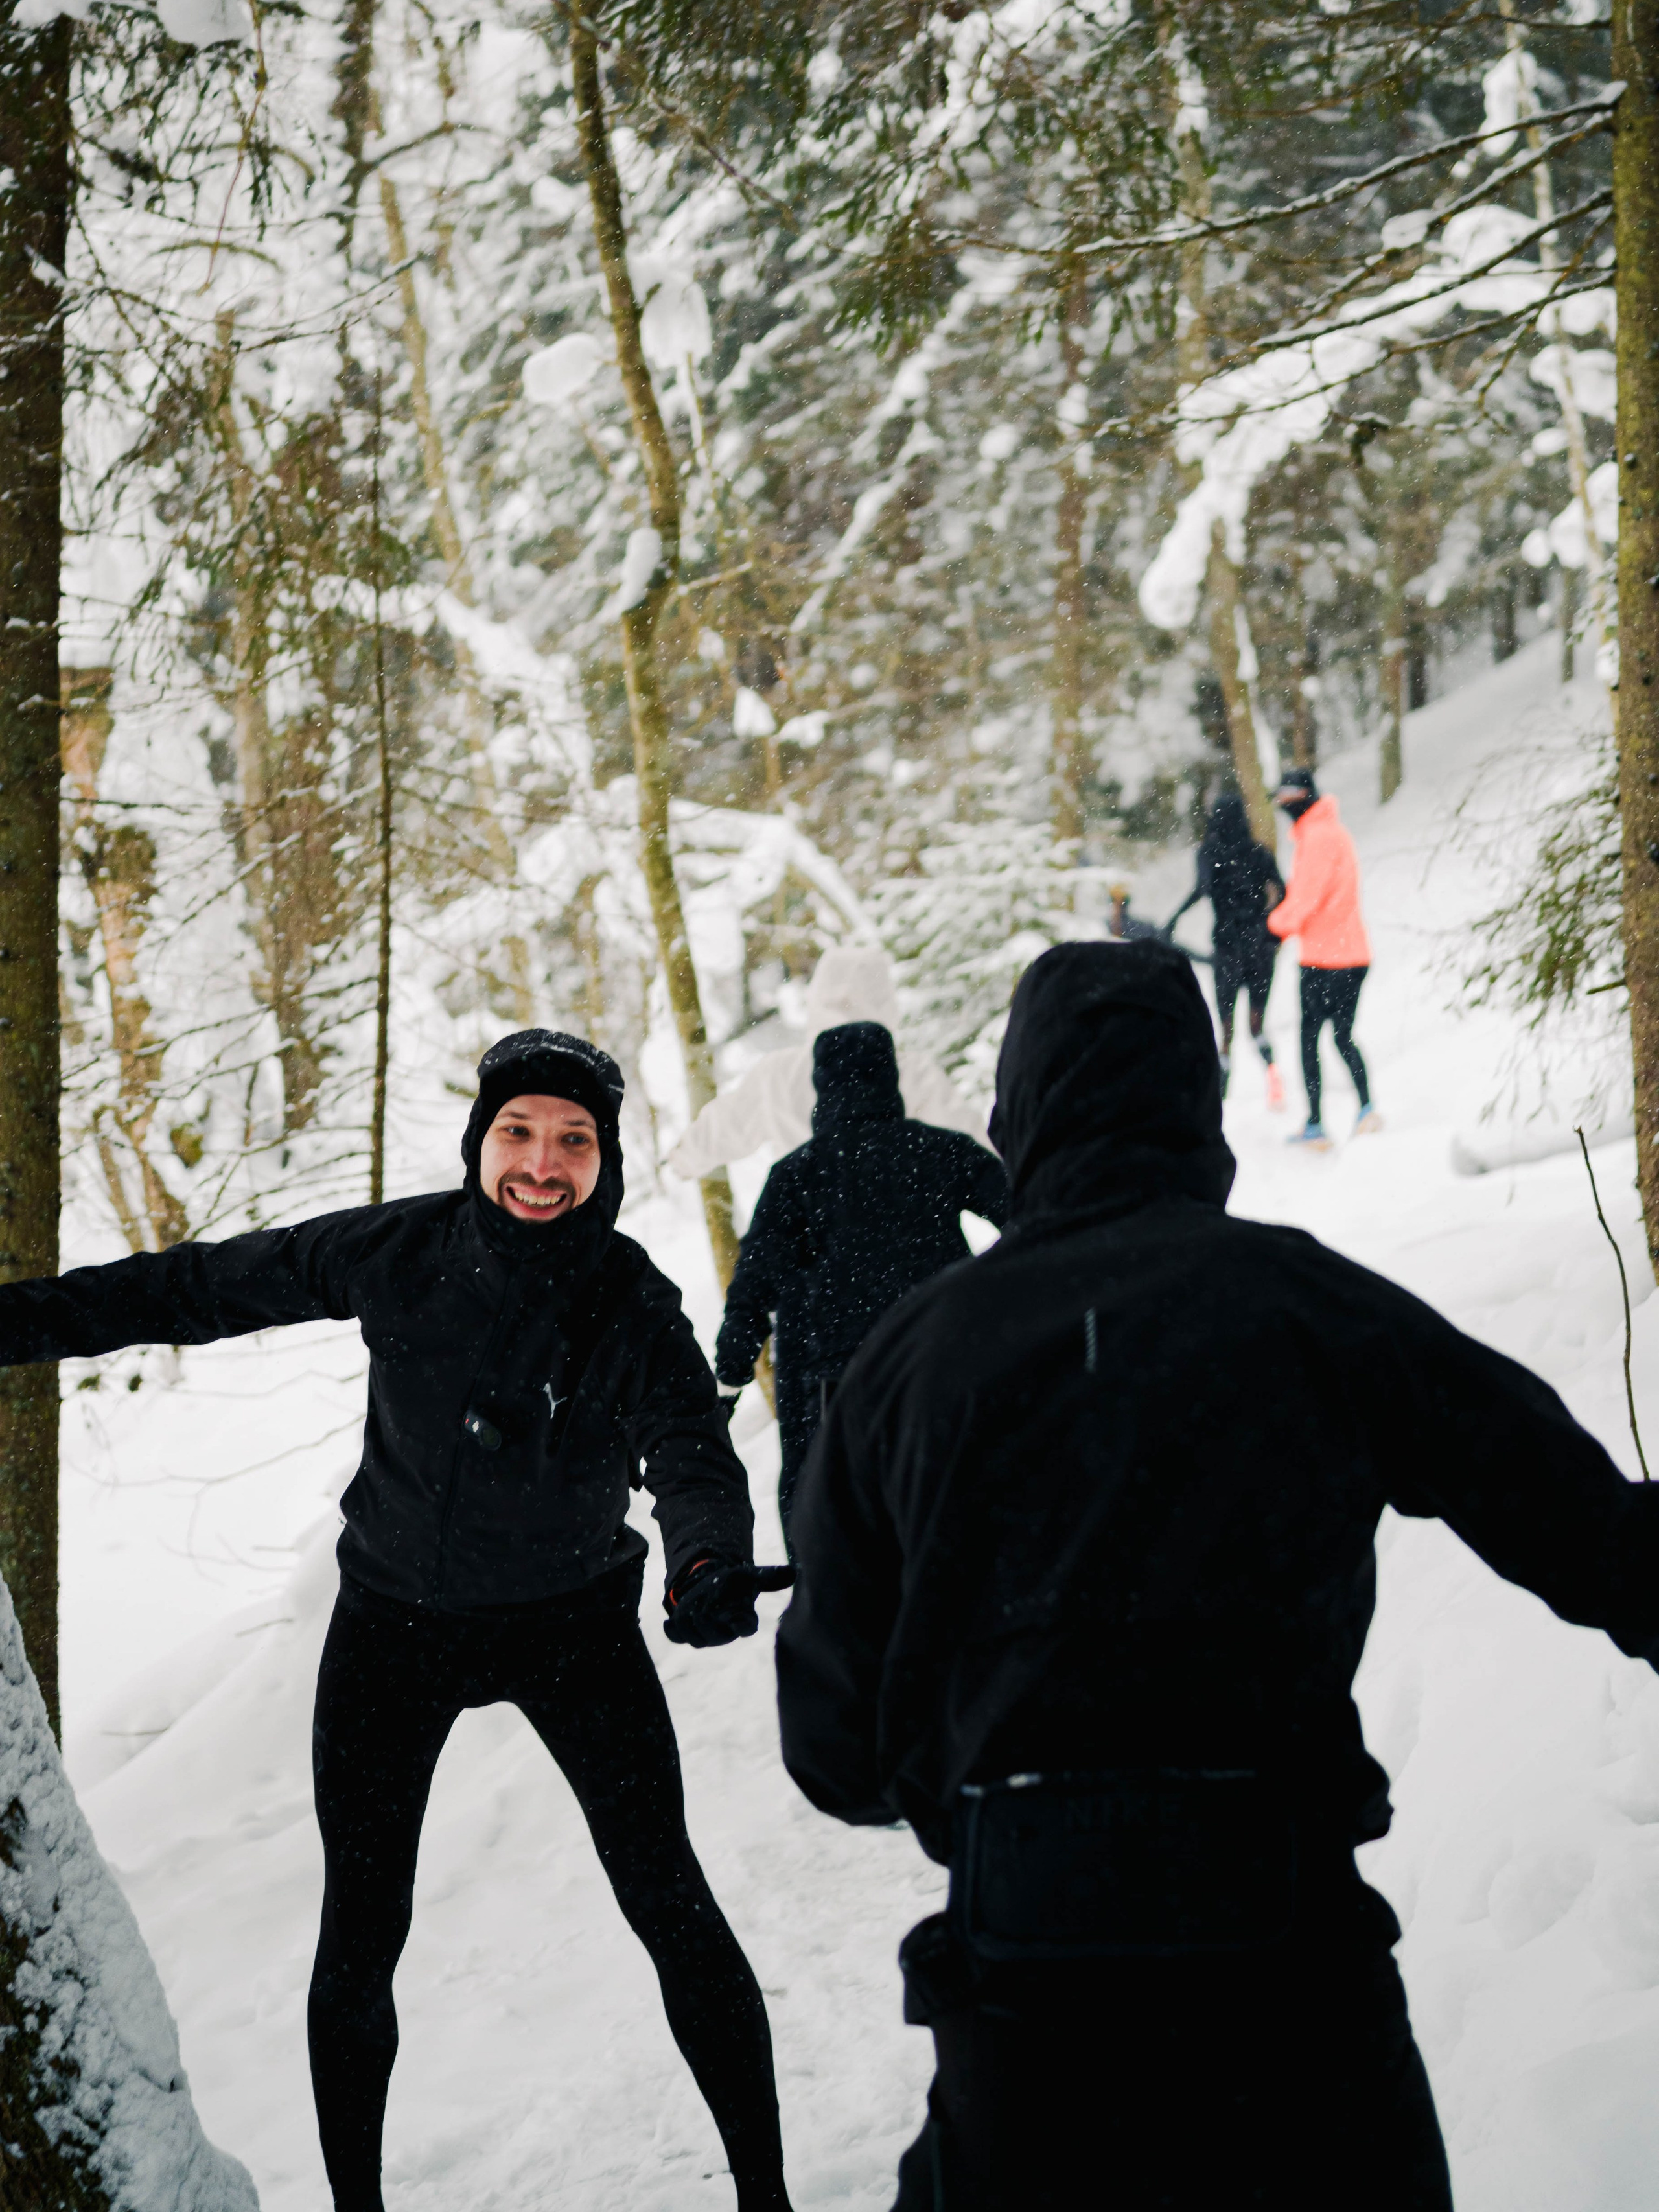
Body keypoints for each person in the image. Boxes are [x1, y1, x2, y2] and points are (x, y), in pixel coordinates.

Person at [775, 940, 1659, 2211]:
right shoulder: (1307, 1304)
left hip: (1027, 1978)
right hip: (1287, 1968)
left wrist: (977, 1770)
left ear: (1012, 1111)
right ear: (1200, 1104)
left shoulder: (909, 1359)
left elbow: (831, 1746)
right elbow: (1587, 1531)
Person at [0, 1028, 795, 2212]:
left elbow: (688, 1447)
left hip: (572, 1628)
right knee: (362, 1929)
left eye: (573, 1140)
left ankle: (769, 2199)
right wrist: (18, 1322)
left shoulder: (628, 1300)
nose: (542, 1161)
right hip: (393, 1631)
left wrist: (707, 1562)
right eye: (519, 1132)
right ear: (480, 1141)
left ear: (604, 1158)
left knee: (669, 1897)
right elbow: (203, 1286)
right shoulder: (400, 1249)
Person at [714, 1021, 1008, 1551]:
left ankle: (832, 1613)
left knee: (835, 1533)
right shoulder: (941, 1152)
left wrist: (730, 1376)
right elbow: (1030, 1216)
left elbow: (753, 1280)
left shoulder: (796, 1176)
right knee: (954, 1520)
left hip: (830, 1385)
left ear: (821, 1085)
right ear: (891, 1076)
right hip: (940, 1366)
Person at [670, 945, 985, 1180]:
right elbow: (974, 1147)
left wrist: (682, 1160)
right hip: (907, 1237)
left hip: (817, 1239)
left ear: (817, 998)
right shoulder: (912, 1074)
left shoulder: (779, 1075)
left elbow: (725, 1128)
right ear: (885, 1003)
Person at [1266, 765, 1378, 1148]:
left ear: (1303, 798)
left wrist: (1273, 926)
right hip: (1354, 953)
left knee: (1309, 1038)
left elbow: (1306, 900)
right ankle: (1367, 1109)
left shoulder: (1316, 838)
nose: (1284, 807)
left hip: (1325, 959)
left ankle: (1315, 1124)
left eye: (1287, 799)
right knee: (1343, 1036)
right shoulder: (1335, 833)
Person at [1166, 789, 1286, 1106]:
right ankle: (1273, 1074)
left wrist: (1174, 919)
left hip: (1228, 948)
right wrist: (1274, 933)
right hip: (1260, 947)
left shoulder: (1208, 852)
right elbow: (1283, 891)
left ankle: (1221, 1094)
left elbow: (1203, 889)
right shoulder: (1259, 852)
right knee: (1257, 1023)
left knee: (1226, 1028)